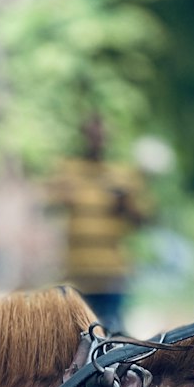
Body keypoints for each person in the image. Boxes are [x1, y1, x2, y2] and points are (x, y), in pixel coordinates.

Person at [46, 115, 150, 334]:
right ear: (83, 137)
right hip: (76, 272)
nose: (96, 141)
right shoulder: (69, 171)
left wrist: (125, 203)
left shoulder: (122, 175)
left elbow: (143, 220)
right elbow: (47, 206)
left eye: (101, 136)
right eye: (92, 135)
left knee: (112, 333)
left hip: (110, 272)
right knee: (74, 335)